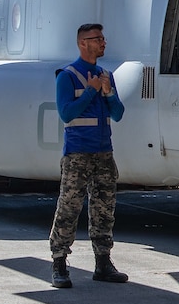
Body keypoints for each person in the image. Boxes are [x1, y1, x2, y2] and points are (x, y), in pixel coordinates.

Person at [49, 23, 128, 288]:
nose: (103, 43)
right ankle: (59, 263)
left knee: (104, 209)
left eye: (103, 38)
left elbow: (117, 114)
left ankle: (103, 263)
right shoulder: (67, 76)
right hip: (77, 154)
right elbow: (66, 113)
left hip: (104, 152)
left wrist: (107, 93)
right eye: (98, 39)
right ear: (83, 43)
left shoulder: (106, 74)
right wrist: (92, 90)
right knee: (69, 208)